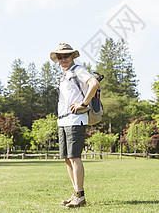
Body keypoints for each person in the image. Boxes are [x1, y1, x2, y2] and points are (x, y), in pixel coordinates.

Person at [50, 43, 99, 208]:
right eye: (60, 57)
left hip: (74, 119)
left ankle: (80, 195)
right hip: (63, 120)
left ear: (72, 57)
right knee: (67, 159)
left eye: (66, 56)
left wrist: (83, 104)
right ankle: (75, 193)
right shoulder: (66, 74)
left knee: (74, 157)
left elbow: (94, 83)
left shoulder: (78, 69)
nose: (63, 59)